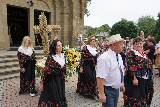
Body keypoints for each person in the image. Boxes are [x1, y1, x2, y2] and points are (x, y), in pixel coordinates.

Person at [124, 37, 154, 107]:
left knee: (145, 96)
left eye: (140, 43)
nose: (139, 45)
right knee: (136, 99)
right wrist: (134, 78)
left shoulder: (144, 54)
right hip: (136, 79)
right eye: (136, 44)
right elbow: (130, 65)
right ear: (133, 45)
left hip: (146, 79)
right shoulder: (131, 53)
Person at [96, 34, 125, 107]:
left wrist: (121, 83)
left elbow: (120, 70)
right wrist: (102, 94)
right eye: (121, 44)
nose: (123, 46)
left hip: (116, 89)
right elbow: (100, 77)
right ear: (114, 45)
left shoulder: (119, 55)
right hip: (108, 90)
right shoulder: (104, 58)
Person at [38, 39, 67, 107]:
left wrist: (65, 76)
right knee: (53, 95)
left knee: (60, 92)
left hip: (60, 79)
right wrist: (42, 83)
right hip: (52, 80)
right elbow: (45, 71)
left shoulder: (63, 56)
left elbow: (64, 68)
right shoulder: (51, 57)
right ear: (55, 47)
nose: (61, 46)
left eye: (61, 45)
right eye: (58, 45)